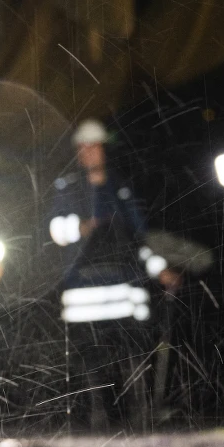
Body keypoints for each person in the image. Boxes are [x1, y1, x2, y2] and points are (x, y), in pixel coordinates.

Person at [49, 118, 172, 431]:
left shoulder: (120, 188)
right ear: (78, 152)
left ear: (104, 149)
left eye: (95, 146)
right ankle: (97, 420)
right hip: (83, 290)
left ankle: (140, 417)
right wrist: (79, 227)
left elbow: (139, 237)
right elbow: (55, 231)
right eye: (85, 148)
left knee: (131, 354)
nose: (90, 152)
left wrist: (160, 269)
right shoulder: (68, 188)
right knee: (91, 360)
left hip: (122, 287)